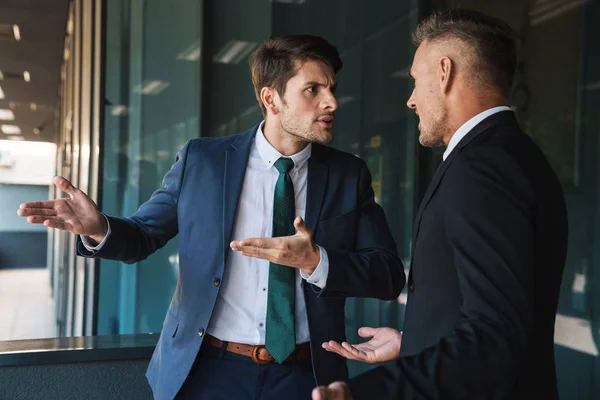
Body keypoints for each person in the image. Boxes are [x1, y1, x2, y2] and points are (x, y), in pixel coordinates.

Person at [17, 34, 405, 400]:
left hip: (306, 376)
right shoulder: (203, 161)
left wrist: (316, 261)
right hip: (207, 371)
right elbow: (142, 235)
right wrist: (99, 227)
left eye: (332, 88)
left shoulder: (347, 174)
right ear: (271, 99)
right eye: (313, 90)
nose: (332, 102)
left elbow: (388, 274)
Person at [312, 9, 568, 400]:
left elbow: (495, 332)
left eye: (415, 80)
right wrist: (413, 341)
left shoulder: (483, 167)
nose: (411, 100)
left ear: (445, 72)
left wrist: (365, 394)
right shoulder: (514, 155)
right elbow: (492, 308)